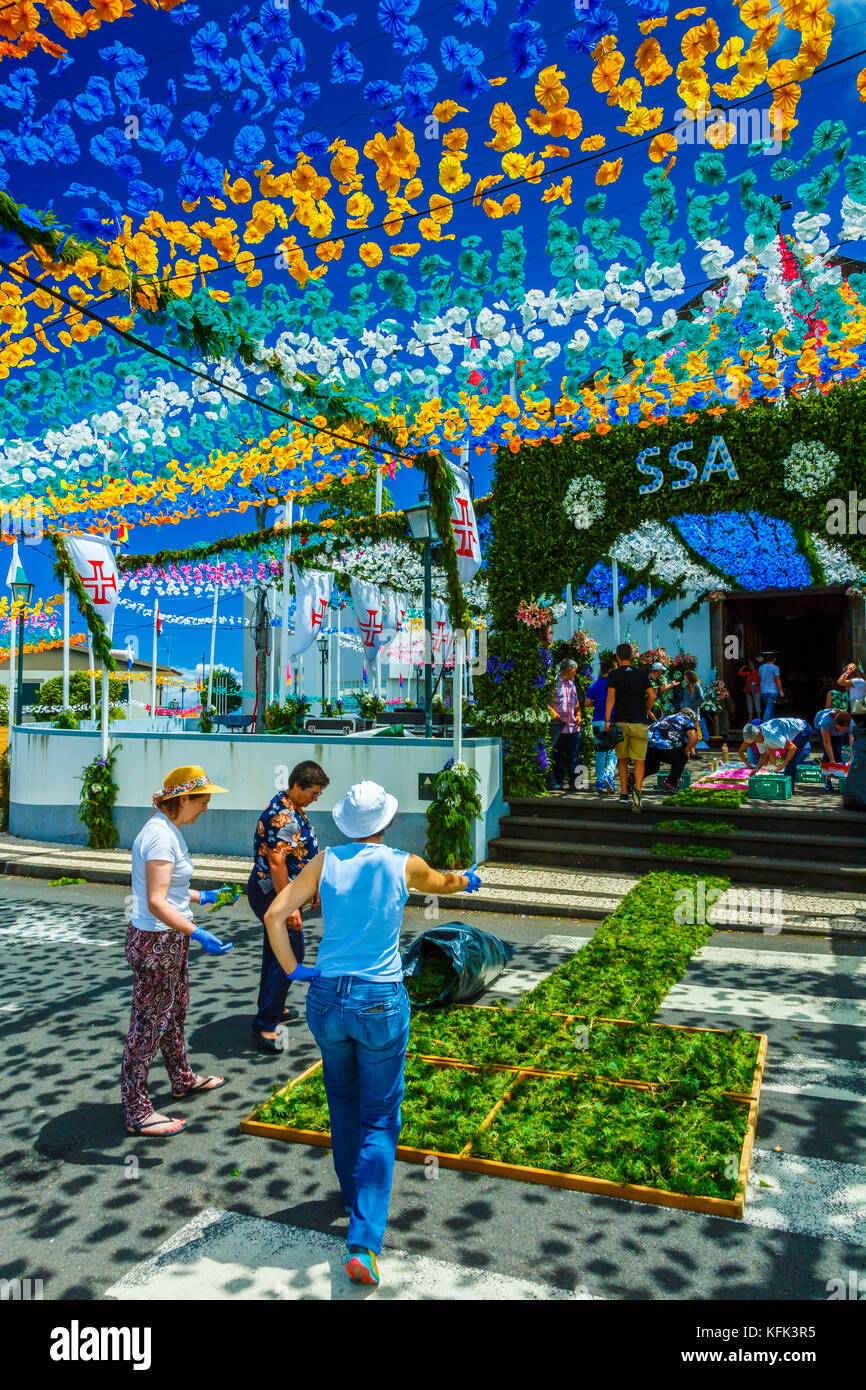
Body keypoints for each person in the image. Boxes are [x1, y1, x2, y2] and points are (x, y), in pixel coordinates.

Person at [264, 780, 482, 1288]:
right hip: (380, 999)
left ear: (345, 823)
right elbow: (446, 883)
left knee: (342, 1102)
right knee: (382, 1117)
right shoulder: (403, 863)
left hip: (326, 998)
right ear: (385, 822)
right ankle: (362, 1241)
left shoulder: (326, 862)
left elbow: (276, 914)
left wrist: (294, 970)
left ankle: (351, 1193)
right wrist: (468, 880)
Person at [122, 765, 234, 1138]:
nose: (206, 809)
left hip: (169, 940)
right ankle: (137, 1111)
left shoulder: (168, 830)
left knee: (174, 1012)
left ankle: (182, 1078)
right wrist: (198, 931)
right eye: (202, 802)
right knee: (147, 1026)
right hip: (157, 941)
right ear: (182, 799)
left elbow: (168, 889)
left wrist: (204, 897)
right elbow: (156, 901)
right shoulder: (159, 837)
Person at [249, 761, 330, 1054]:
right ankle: (265, 1026)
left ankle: (272, 1007)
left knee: (275, 953)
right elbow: (277, 862)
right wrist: (288, 907)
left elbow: (299, 853)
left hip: (281, 892)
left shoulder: (291, 807)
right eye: (313, 792)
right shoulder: (284, 815)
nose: (316, 798)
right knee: (290, 953)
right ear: (296, 786)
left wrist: (312, 886)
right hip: (274, 894)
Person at [604, 641, 656, 812]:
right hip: (639, 722)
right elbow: (652, 695)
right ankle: (638, 790)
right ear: (632, 656)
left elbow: (610, 698)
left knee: (622, 759)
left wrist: (606, 720)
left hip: (621, 721)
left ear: (617, 657)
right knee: (639, 760)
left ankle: (624, 793)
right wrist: (646, 709)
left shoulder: (614, 675)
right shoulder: (641, 674)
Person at [739, 718, 813, 786]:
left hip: (803, 729)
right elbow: (763, 755)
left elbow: (792, 747)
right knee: (789, 759)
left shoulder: (773, 736)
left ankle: (789, 787)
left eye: (754, 741)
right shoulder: (758, 737)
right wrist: (756, 770)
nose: (755, 743)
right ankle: (789, 785)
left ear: (759, 734)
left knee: (790, 759)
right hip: (791, 733)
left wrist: (783, 765)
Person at [547, 657, 581, 792]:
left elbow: (577, 704)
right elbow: (544, 702)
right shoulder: (553, 684)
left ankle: (575, 783)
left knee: (574, 756)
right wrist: (552, 712)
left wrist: (578, 715)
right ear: (568, 670)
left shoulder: (572, 684)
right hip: (558, 727)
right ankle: (559, 782)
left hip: (572, 727)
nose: (575, 674)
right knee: (557, 756)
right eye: (574, 671)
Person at [645, 711, 700, 791]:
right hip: (664, 746)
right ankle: (671, 783)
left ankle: (632, 778)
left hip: (648, 746)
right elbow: (693, 738)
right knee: (682, 757)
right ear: (693, 719)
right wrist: (686, 751)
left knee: (652, 767)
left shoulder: (667, 717)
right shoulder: (686, 720)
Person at [586, 657, 617, 793]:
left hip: (597, 721)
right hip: (611, 721)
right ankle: (608, 776)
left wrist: (597, 703)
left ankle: (599, 782)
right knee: (613, 751)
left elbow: (587, 703)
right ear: (610, 670)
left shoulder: (593, 685)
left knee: (600, 752)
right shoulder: (614, 685)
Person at [814, 707, 853, 791]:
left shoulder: (851, 724)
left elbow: (852, 743)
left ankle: (841, 779)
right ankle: (827, 780)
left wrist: (851, 759)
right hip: (820, 724)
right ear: (835, 723)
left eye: (843, 729)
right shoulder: (826, 722)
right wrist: (832, 760)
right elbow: (827, 743)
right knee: (828, 752)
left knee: (838, 750)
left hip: (833, 729)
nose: (840, 731)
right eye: (839, 728)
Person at [758, 651, 784, 719]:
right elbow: (777, 679)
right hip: (773, 691)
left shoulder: (761, 668)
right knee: (769, 708)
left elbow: (760, 677)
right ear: (774, 659)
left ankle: (773, 725)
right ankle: (764, 725)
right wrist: (781, 690)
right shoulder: (775, 668)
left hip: (763, 691)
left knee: (770, 708)